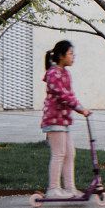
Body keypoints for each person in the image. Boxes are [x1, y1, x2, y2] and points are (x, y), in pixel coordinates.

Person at [41, 40, 90, 198]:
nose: (73, 57)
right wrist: (80, 109)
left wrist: (80, 107)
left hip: (63, 121)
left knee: (69, 153)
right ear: (61, 56)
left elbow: (70, 95)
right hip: (54, 120)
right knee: (59, 153)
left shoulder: (65, 73)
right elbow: (63, 96)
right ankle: (53, 189)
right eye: (70, 54)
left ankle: (70, 188)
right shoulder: (53, 74)